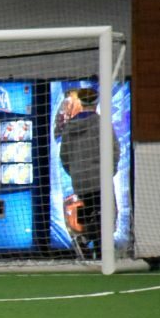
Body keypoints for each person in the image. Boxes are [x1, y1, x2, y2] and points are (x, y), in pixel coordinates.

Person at [57, 86, 104, 255]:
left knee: (92, 211)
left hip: (79, 180)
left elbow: (64, 155)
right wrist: (109, 172)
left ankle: (90, 244)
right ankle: (88, 242)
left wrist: (75, 172)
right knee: (104, 214)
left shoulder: (70, 127)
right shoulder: (101, 124)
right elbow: (114, 150)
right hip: (100, 178)